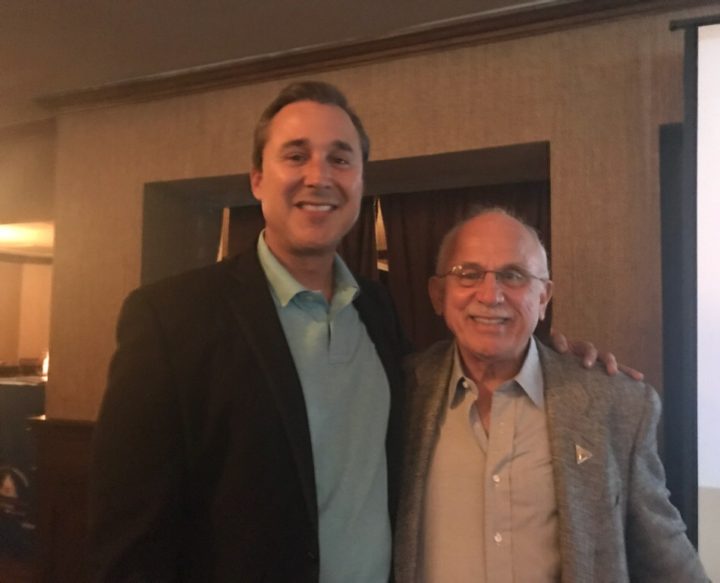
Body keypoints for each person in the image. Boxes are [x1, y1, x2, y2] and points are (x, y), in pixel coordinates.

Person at [89, 81, 628, 582]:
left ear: (360, 181)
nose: (319, 176)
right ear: (257, 179)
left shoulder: (375, 309)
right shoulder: (170, 318)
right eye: (295, 155)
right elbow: (128, 539)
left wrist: (561, 362)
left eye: (340, 159)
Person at [394, 209, 708, 582]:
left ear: (543, 297)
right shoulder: (399, 393)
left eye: (513, 275)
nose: (490, 295)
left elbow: (668, 562)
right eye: (469, 274)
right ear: (438, 295)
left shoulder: (615, 404)